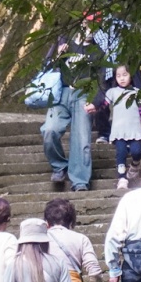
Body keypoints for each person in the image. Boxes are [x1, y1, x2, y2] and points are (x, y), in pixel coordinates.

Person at [40, 30, 103, 192]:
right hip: (62, 93)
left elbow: (102, 79)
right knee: (49, 130)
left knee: (81, 139)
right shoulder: (65, 41)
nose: (90, 29)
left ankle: (80, 181)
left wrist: (96, 101)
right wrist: (57, 56)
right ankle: (59, 166)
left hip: (84, 94)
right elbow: (46, 67)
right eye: (88, 24)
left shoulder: (98, 51)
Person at [103, 64, 141, 190]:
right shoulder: (112, 92)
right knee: (121, 153)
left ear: (131, 76)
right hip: (119, 131)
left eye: (125, 75)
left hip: (135, 131)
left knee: (137, 152)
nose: (122, 78)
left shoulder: (137, 93)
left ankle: (135, 164)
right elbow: (103, 105)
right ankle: (122, 178)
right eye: (118, 76)